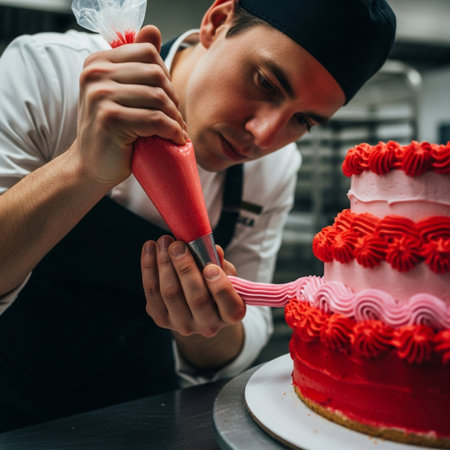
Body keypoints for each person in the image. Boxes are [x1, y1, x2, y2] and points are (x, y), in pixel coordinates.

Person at [0, 0, 396, 431]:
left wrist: (205, 328)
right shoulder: (47, 75)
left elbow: (246, 329)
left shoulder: (273, 169)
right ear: (217, 21)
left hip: (149, 414)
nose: (265, 136)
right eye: (265, 82)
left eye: (302, 121)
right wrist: (82, 168)